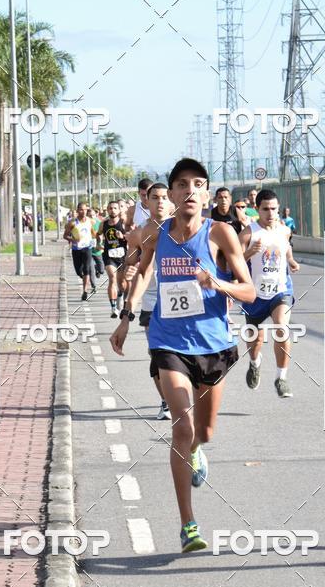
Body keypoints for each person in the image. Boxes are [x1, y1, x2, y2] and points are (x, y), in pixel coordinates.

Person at [110, 158, 255, 553]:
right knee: (182, 427)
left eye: (199, 184)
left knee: (204, 433)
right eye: (182, 185)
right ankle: (188, 524)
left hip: (214, 346)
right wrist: (126, 317)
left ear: (206, 194)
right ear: (170, 195)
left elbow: (250, 291)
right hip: (169, 343)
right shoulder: (158, 235)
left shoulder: (220, 234)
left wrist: (217, 282)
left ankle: (196, 451)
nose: (190, 190)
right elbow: (142, 273)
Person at [238, 189, 300, 398]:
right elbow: (233, 260)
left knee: (281, 327)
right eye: (265, 209)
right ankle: (255, 363)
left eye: (274, 208)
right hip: (254, 293)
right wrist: (249, 253)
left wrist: (291, 261)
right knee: (254, 338)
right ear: (257, 209)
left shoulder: (284, 230)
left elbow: (287, 249)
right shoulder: (248, 233)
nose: (270, 213)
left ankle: (281, 378)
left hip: (280, 290)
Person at [123, 182, 174, 419]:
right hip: (152, 301)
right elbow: (129, 268)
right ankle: (166, 401)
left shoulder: (185, 227)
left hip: (181, 300)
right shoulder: (138, 233)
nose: (160, 201)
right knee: (157, 355)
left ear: (172, 200)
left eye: (165, 197)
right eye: (155, 197)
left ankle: (181, 396)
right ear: (147, 202)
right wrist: (128, 272)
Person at [99, 201, 127, 318]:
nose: (112, 210)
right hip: (109, 256)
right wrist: (98, 242)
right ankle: (113, 308)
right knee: (112, 278)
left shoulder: (124, 223)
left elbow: (132, 237)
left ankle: (120, 295)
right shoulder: (104, 224)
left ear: (119, 210)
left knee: (122, 283)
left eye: (115, 208)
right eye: (110, 208)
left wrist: (123, 237)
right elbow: (98, 234)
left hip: (122, 256)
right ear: (107, 210)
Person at [63, 203, 96, 300]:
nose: (84, 211)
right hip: (76, 249)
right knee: (78, 271)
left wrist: (97, 239)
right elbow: (65, 236)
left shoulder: (90, 221)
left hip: (87, 248)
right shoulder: (72, 223)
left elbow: (93, 233)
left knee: (86, 269)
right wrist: (73, 240)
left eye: (85, 209)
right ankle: (85, 278)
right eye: (81, 209)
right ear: (77, 211)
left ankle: (85, 291)